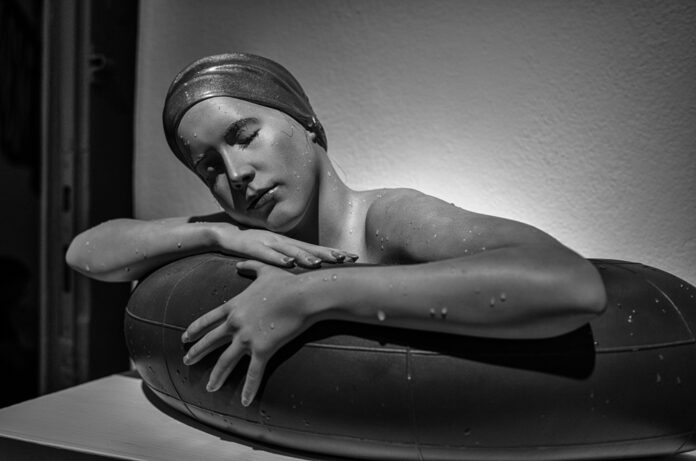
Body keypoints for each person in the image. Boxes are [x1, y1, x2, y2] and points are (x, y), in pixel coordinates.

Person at [66, 53, 606, 407]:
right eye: (209, 167)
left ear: (306, 125)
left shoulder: (386, 219)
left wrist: (311, 293)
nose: (235, 173)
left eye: (245, 135)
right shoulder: (245, 233)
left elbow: (569, 283)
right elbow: (86, 252)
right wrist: (216, 234)